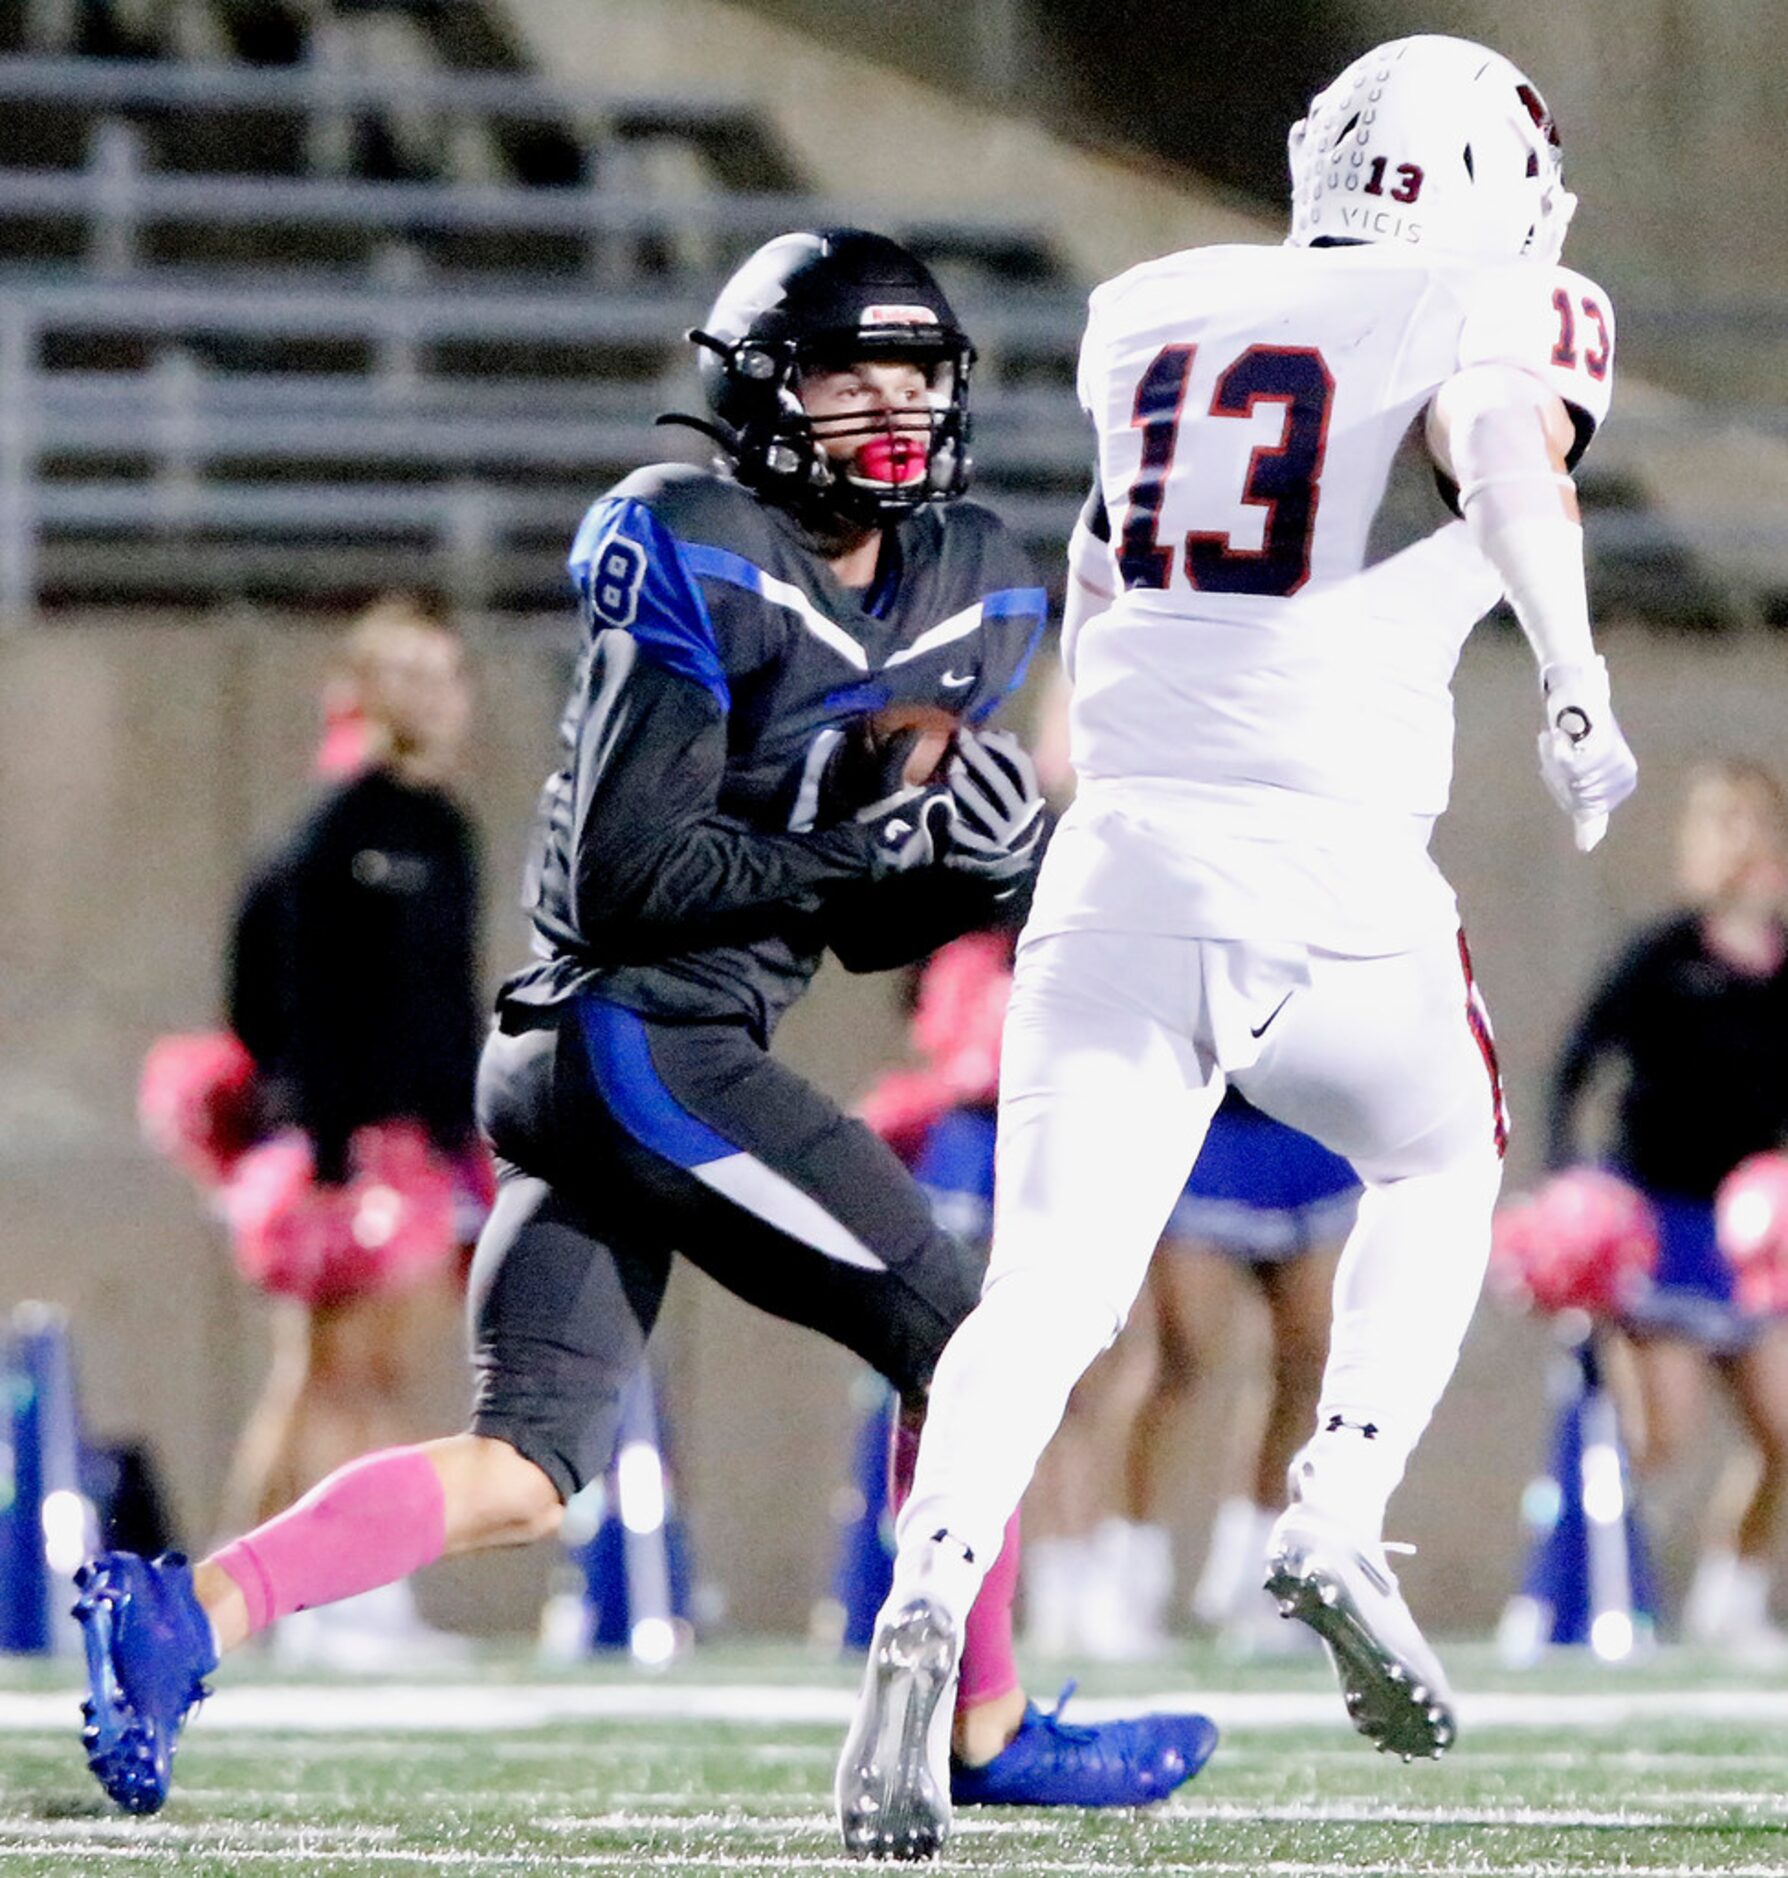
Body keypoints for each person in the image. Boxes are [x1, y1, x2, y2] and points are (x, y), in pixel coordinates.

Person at [74, 228, 1215, 1820]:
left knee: (526, 1467)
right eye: (845, 373)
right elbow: (633, 872)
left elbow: (858, 916)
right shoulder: (699, 541)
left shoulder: (963, 581)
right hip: (638, 1033)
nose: (888, 405)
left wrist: (972, 867)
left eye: (913, 374)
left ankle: (184, 1614)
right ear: (760, 393)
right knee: (969, 1341)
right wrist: (875, 841)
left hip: (601, 1057)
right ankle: (985, 1722)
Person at [837, 35, 1639, 1859]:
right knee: (1440, 1157)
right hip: (1332, 872)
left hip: (1118, 856)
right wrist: (1574, 678)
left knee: (1039, 1292)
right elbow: (1501, 449)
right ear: (1478, 186)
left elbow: (1112, 568)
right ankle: (1333, 1503)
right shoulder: (1499, 306)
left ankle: (927, 1595)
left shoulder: (1149, 310)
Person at [1549, 759, 1788, 1652]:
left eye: (1755, 824)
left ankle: (1733, 1595)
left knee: (1783, 1432)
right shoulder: (1661, 959)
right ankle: (1607, 1594)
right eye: (1722, 825)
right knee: (1663, 1436)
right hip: (1659, 1224)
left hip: (1750, 1238)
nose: (1743, 844)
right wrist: (1573, 1189)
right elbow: (1576, 1072)